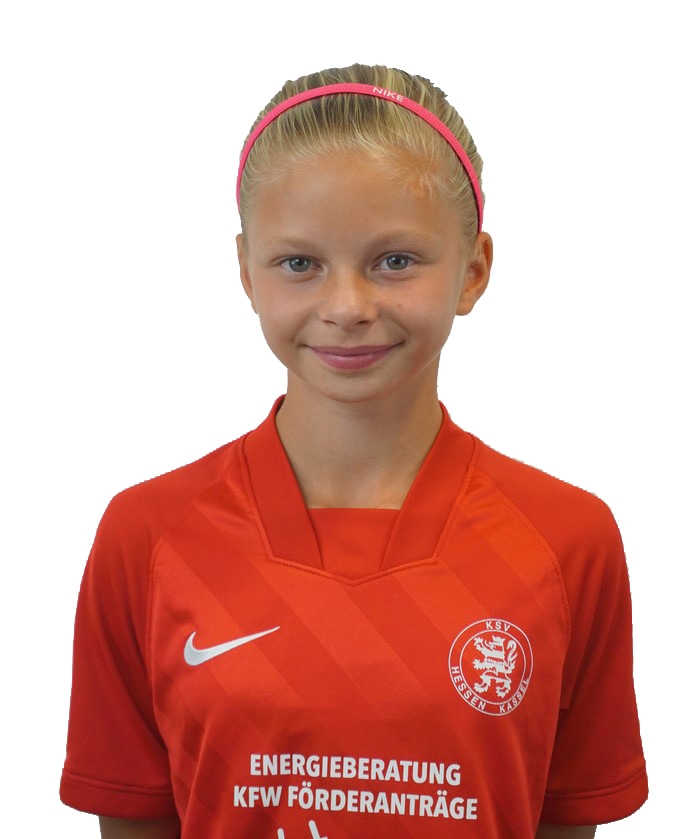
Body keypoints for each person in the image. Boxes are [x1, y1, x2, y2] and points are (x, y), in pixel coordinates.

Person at [60, 64, 647, 839]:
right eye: (299, 263)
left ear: (473, 270)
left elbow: (566, 817)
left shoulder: (568, 541)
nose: (346, 306)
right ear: (246, 271)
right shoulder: (146, 537)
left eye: (394, 260)